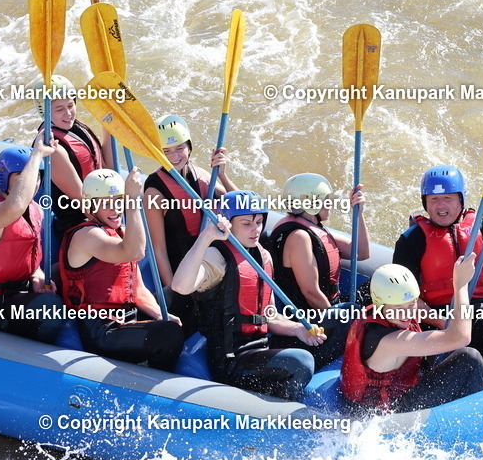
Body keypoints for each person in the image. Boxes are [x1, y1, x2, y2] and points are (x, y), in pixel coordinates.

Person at [393, 165, 483, 386]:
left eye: (448, 198)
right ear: (425, 203)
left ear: (461, 200)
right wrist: (444, 323)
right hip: (437, 316)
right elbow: (404, 298)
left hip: (479, 312)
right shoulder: (411, 240)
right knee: (448, 352)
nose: (441, 206)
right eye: (433, 200)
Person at [171, 190, 324, 401]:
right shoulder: (216, 257)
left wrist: (298, 329)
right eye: (246, 224)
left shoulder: (262, 256)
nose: (256, 230)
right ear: (227, 223)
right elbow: (180, 286)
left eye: (259, 222)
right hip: (231, 359)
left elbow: (269, 315)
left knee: (338, 322)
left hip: (260, 346)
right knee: (301, 360)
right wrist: (206, 237)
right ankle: (282, 414)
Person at [59, 168, 184, 371]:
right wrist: (134, 202)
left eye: (119, 201)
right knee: (168, 334)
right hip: (102, 329)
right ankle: (157, 381)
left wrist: (161, 314)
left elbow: (138, 289)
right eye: (107, 203)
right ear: (90, 206)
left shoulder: (122, 232)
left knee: (184, 296)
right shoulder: (86, 236)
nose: (115, 209)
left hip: (128, 316)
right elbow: (134, 252)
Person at [339, 259, 483, 416]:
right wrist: (461, 286)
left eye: (411, 305)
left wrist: (440, 321)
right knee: (470, 359)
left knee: (446, 350)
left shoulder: (382, 310)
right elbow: (461, 338)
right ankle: (478, 421)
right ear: (381, 304)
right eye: (398, 308)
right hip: (381, 414)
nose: (407, 313)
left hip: (396, 391)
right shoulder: (388, 341)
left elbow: (416, 309)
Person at [0, 136, 65, 343]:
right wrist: (37, 154)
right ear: (4, 178)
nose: (33, 184)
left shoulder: (34, 209)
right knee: (48, 308)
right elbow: (14, 207)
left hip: (18, 289)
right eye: (23, 177)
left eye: (37, 177)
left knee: (68, 272)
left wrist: (37, 275)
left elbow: (26, 257)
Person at [268, 173, 370, 367]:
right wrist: (340, 322)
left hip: (332, 308)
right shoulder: (299, 237)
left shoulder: (314, 228)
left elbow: (362, 253)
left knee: (375, 288)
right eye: (327, 200)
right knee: (358, 317)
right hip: (310, 321)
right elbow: (311, 293)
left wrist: (359, 214)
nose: (330, 204)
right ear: (311, 203)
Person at [143, 115, 234, 332]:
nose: (174, 156)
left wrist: (222, 175)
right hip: (181, 267)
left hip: (206, 256)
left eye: (179, 148)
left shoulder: (199, 174)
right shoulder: (154, 191)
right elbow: (159, 250)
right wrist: (175, 292)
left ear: (189, 147)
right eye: (166, 151)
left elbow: (242, 206)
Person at [32, 75, 115, 244]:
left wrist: (109, 126)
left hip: (103, 209)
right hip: (79, 224)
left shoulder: (75, 127)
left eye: (70, 105)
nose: (68, 113)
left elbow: (108, 169)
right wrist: (115, 220)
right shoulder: (52, 147)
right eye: (59, 109)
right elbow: (84, 203)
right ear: (44, 111)